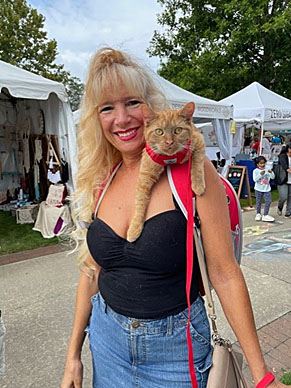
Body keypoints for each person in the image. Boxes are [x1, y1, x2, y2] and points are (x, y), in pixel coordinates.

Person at [61, 47, 288, 388]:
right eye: (107, 107)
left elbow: (225, 274)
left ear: (151, 110)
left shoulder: (193, 174)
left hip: (175, 351)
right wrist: (73, 357)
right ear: (98, 118)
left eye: (132, 103)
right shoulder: (103, 178)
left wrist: (263, 377)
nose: (121, 119)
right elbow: (92, 271)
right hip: (106, 343)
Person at [253, 156, 275, 222]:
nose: (262, 165)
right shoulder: (255, 171)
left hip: (267, 188)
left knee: (268, 201)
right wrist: (260, 174)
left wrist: (271, 172)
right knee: (258, 201)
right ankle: (258, 213)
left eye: (263, 163)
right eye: (261, 163)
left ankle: (265, 214)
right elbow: (255, 179)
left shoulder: (267, 169)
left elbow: (273, 177)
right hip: (258, 188)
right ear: (257, 164)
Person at [277, 143, 291, 218]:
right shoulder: (283, 156)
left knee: (290, 196)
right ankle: (280, 206)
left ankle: (288, 213)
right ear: (289, 149)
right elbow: (285, 167)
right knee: (284, 196)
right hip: (283, 179)